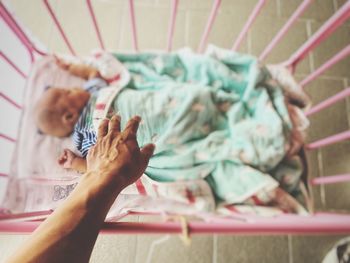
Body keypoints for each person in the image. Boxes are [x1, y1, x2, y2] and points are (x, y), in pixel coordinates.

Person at [34, 48, 309, 207]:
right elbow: (97, 165)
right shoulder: (85, 137)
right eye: (68, 92)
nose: (74, 87)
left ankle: (205, 106)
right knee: (162, 137)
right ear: (69, 116)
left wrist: (74, 66)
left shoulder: (94, 90)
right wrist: (75, 163)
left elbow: (94, 73)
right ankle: (207, 119)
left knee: (180, 98)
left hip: (152, 103)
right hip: (148, 133)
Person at [6, 115, 155, 263]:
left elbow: (96, 165)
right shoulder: (83, 138)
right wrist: (82, 165)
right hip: (121, 162)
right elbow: (94, 166)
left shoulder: (85, 130)